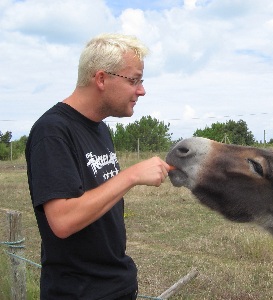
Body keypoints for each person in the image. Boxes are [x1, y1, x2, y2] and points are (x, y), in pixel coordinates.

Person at [25, 33, 171, 300]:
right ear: (102, 78)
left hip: (116, 286)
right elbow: (63, 220)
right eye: (134, 80)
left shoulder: (101, 129)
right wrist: (132, 175)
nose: (141, 90)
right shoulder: (53, 131)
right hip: (78, 293)